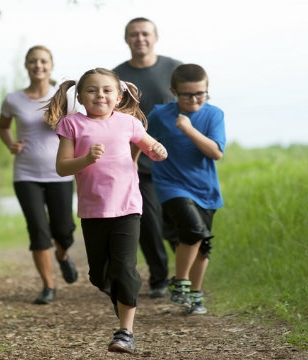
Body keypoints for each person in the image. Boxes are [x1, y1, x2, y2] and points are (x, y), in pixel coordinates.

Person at [43, 68, 168, 353]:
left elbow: (151, 147)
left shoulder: (128, 123)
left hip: (127, 206)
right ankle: (127, 296)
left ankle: (125, 331)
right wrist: (86, 159)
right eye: (92, 90)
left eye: (107, 90)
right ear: (81, 97)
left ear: (119, 95)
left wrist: (158, 150)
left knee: (124, 268)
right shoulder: (71, 125)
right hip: (93, 209)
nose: (100, 95)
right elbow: (62, 167)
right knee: (99, 275)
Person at [0, 45, 79, 305]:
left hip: (60, 173)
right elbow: (2, 127)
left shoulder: (64, 96)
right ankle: (48, 286)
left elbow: (80, 127)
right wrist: (10, 143)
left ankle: (63, 256)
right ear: (26, 66)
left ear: (51, 65)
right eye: (33, 61)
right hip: (26, 173)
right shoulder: (13, 99)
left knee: (64, 230)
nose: (38, 65)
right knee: (38, 230)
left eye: (43, 61)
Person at [146, 64, 225, 316]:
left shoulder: (214, 115)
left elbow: (216, 152)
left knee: (201, 242)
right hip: (171, 186)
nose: (194, 100)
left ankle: (196, 295)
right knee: (193, 229)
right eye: (187, 95)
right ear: (173, 91)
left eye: (200, 94)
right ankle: (180, 282)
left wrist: (189, 129)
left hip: (205, 189)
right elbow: (140, 137)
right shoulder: (159, 115)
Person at [113, 17, 183, 298]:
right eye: (133, 34)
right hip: (137, 162)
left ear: (155, 37)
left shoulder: (174, 69)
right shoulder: (116, 76)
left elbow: (192, 106)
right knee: (149, 220)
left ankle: (185, 276)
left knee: (177, 221)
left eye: (145, 34)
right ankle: (158, 277)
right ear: (126, 39)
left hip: (175, 161)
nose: (139, 38)